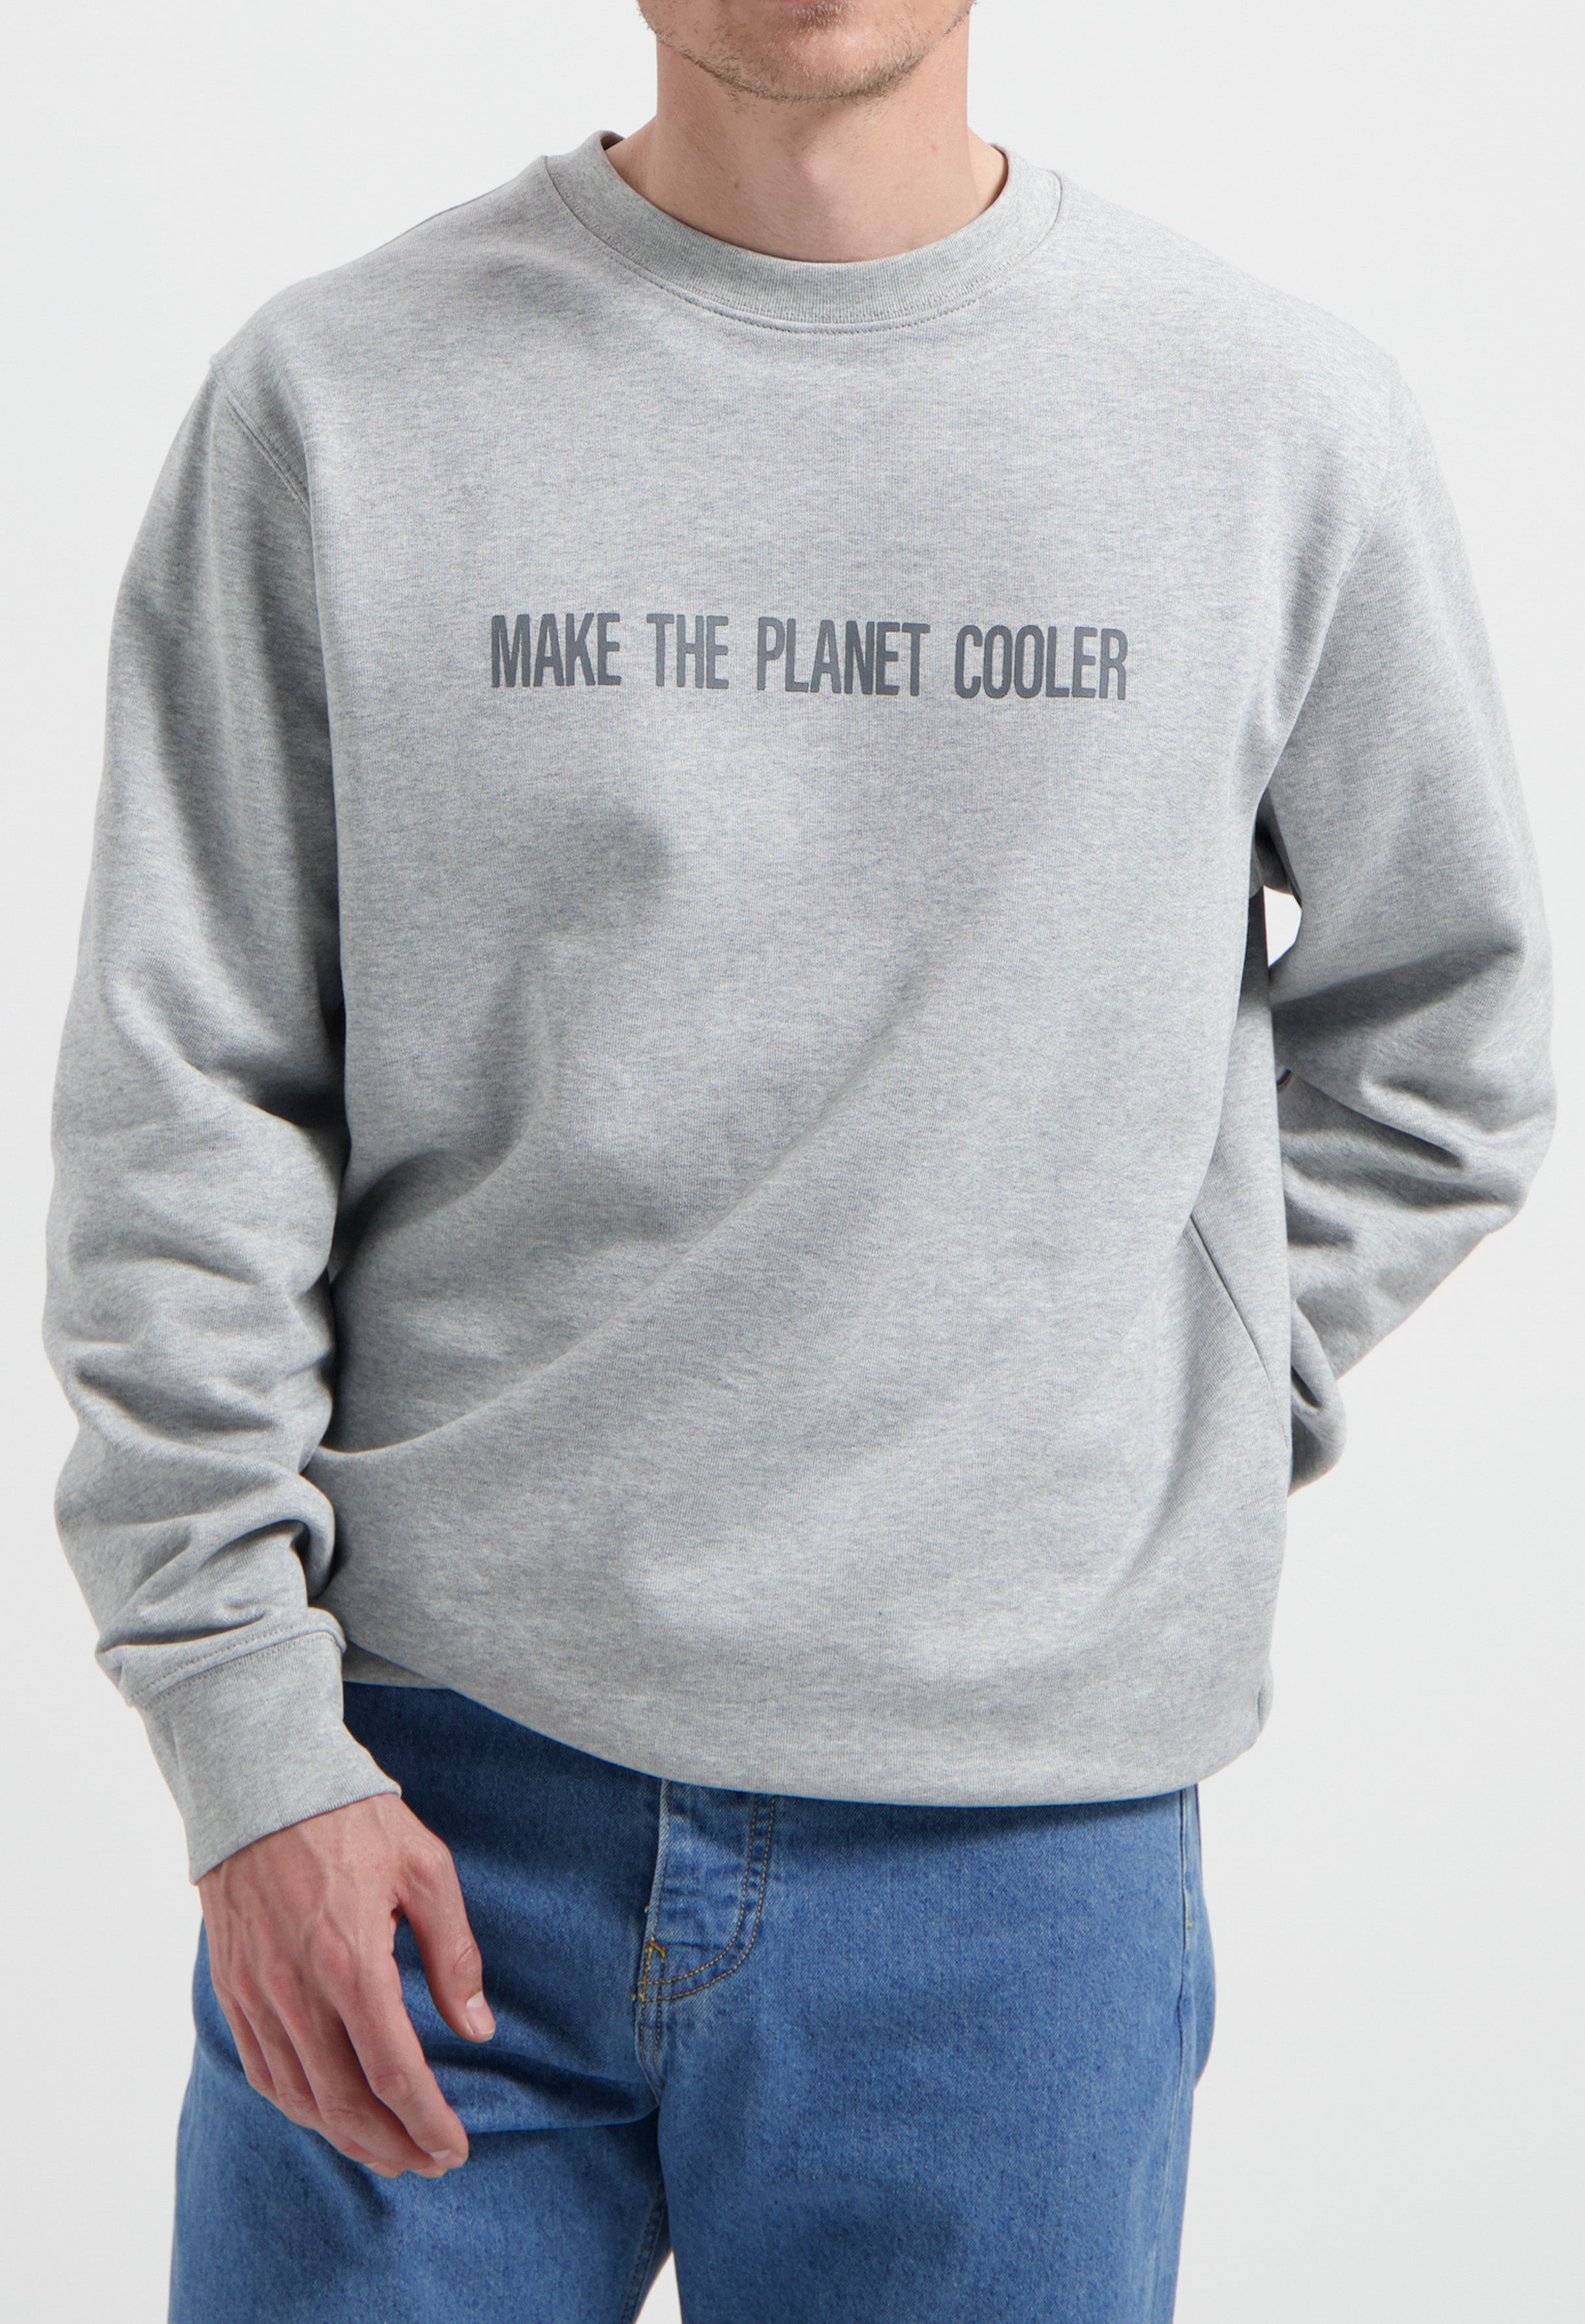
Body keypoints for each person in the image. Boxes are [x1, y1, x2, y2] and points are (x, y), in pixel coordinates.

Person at [44, 3, 1554, 2319]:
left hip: (1009, 1851)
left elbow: (1446, 1036)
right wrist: (247, 1741)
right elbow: (191, 1086)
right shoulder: (339, 400)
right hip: (417, 1780)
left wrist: (1150, 1394)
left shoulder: (1265, 418)